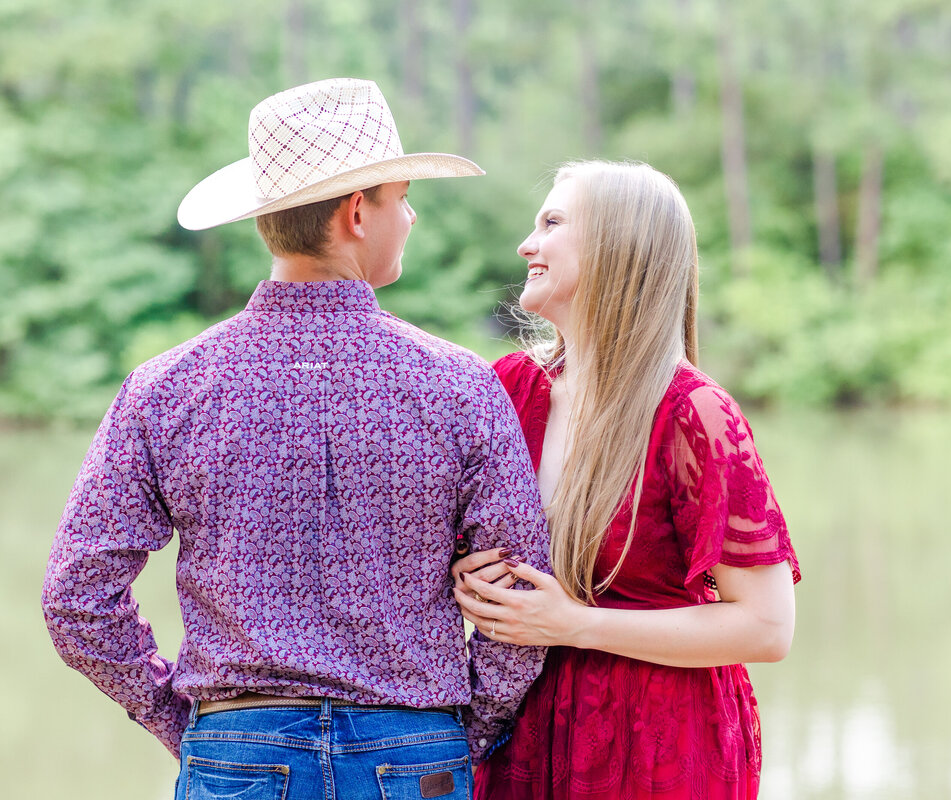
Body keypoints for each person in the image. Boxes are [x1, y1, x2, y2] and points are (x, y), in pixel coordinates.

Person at [42, 78, 550, 800]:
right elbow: (520, 594)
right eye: (401, 198)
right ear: (355, 213)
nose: (410, 217)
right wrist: (461, 731)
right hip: (414, 753)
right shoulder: (459, 384)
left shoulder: (166, 387)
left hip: (235, 753)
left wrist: (185, 721)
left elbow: (76, 598)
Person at [452, 160, 801, 799]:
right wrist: (468, 579)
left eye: (552, 223)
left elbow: (768, 628)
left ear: (620, 246)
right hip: (522, 726)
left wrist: (575, 623)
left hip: (657, 743)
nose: (527, 245)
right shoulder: (507, 389)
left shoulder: (693, 414)